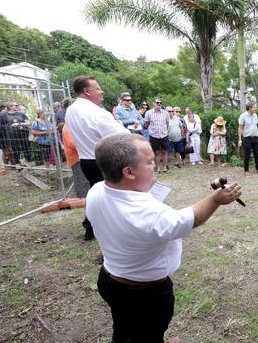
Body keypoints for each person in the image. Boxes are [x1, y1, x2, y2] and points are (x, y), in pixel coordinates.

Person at [87, 133, 242, 343]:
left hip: (110, 279)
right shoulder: (149, 215)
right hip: (145, 295)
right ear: (129, 172)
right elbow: (188, 219)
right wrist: (215, 199)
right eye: (150, 162)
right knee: (148, 333)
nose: (155, 164)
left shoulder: (97, 190)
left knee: (125, 326)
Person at [65, 75, 129, 240]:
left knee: (97, 196)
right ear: (87, 91)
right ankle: (113, 233)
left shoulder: (71, 111)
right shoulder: (97, 112)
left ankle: (90, 226)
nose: (102, 92)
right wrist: (121, 126)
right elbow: (121, 135)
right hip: (104, 160)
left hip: (86, 160)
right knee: (113, 198)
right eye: (98, 88)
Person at [0, 101, 32, 166]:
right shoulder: (4, 115)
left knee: (26, 148)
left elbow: (28, 123)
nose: (17, 106)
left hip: (23, 134)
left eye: (17, 105)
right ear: (10, 107)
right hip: (12, 135)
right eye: (16, 105)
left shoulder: (21, 114)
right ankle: (18, 166)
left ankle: (29, 165)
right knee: (15, 150)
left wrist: (19, 124)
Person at [144, 98, 170, 172]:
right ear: (153, 103)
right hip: (154, 135)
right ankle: (157, 168)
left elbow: (167, 123)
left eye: (160, 103)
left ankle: (165, 168)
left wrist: (165, 131)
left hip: (163, 135)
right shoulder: (148, 113)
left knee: (165, 151)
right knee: (156, 152)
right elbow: (146, 124)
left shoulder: (165, 113)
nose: (159, 104)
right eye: (157, 102)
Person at [238, 103, 258, 174]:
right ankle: (246, 170)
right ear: (249, 108)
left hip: (255, 137)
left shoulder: (255, 115)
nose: (255, 108)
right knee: (247, 154)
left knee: (257, 154)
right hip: (247, 138)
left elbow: (255, 125)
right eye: (254, 107)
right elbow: (240, 128)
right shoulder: (243, 116)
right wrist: (240, 139)